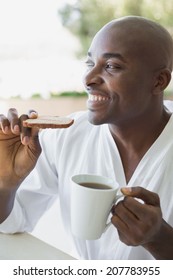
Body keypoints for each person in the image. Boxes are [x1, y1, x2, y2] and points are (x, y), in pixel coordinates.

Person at [0, 15, 173, 260]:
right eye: (89, 63)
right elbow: (11, 222)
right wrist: (6, 184)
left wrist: (161, 239)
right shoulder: (67, 137)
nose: (88, 79)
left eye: (112, 66)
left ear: (159, 81)